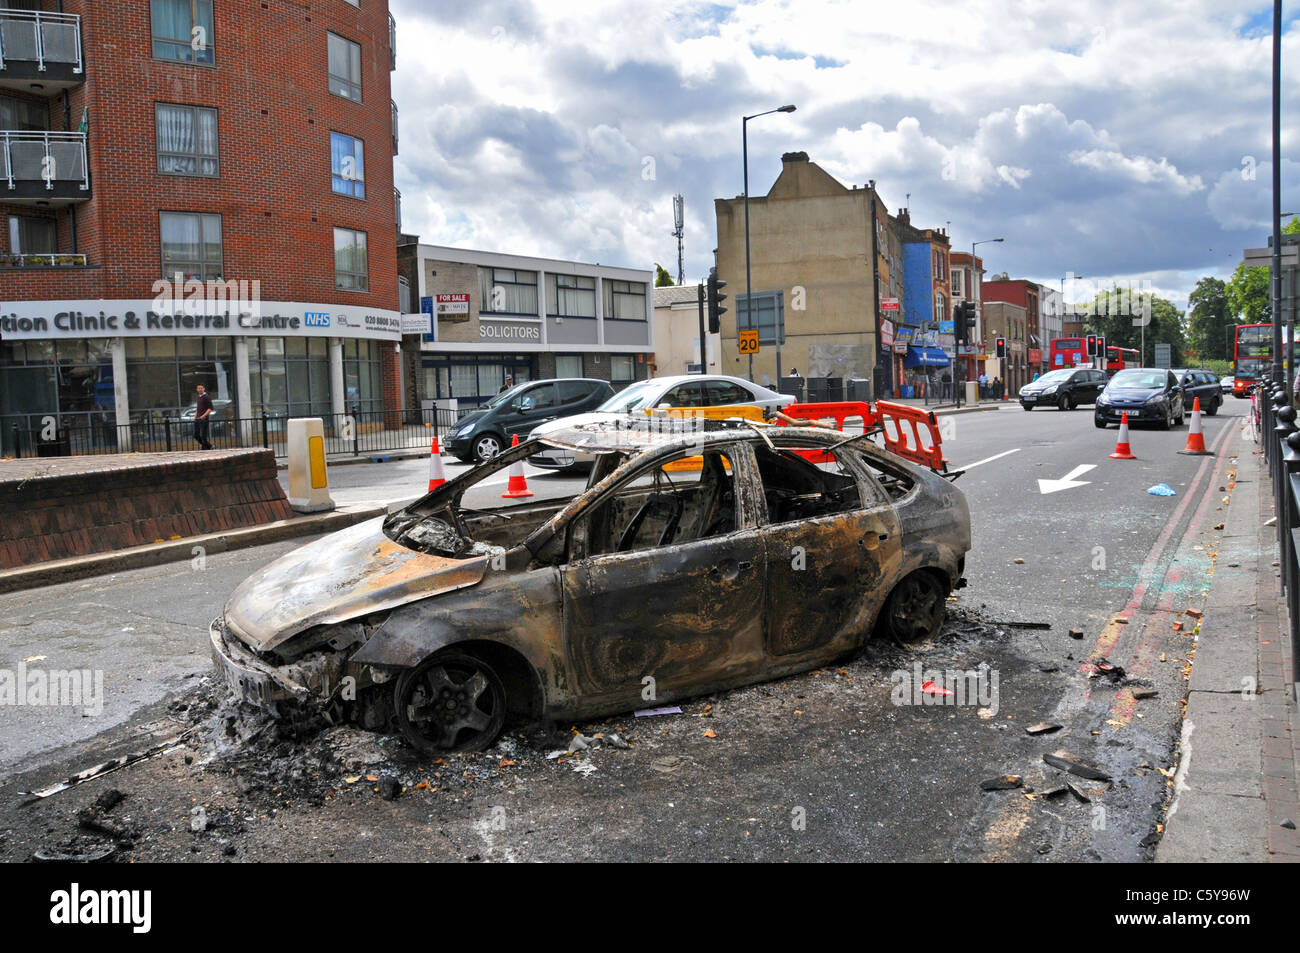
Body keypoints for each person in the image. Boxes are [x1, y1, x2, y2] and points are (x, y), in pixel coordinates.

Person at [194, 384, 213, 450]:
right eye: (198, 388)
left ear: (204, 389)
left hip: (204, 419)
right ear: (197, 389)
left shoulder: (206, 397)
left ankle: (205, 449)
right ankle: (210, 446)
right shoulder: (198, 397)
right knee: (196, 435)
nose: (200, 389)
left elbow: (210, 408)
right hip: (197, 419)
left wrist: (203, 416)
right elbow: (198, 408)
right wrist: (195, 416)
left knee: (203, 436)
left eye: (201, 388)